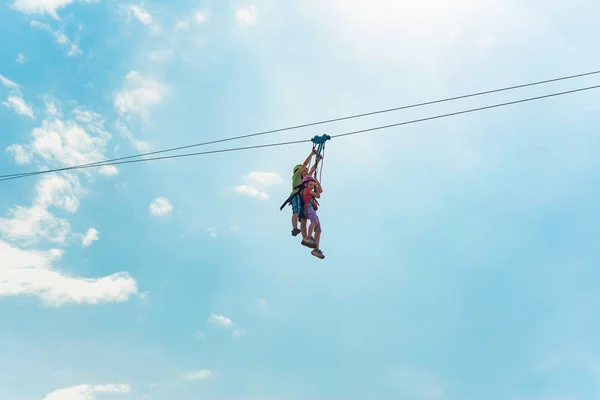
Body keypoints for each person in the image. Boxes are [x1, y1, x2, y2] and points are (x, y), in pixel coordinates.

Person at [289, 149, 321, 238]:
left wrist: (318, 160)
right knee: (296, 212)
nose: (305, 172)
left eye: (305, 172)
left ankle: (306, 238)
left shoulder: (305, 179)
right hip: (296, 195)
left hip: (303, 199)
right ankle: (295, 228)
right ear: (298, 171)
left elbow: (311, 170)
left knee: (303, 219)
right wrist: (311, 154)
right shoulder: (296, 176)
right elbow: (305, 164)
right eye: (303, 171)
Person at [300, 176, 324, 259]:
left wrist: (316, 182)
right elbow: (318, 195)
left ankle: (316, 249)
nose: (311, 186)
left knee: (318, 229)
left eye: (312, 185)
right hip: (308, 208)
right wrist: (315, 187)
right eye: (310, 184)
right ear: (305, 184)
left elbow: (320, 191)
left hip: (312, 209)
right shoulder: (307, 190)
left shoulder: (310, 189)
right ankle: (309, 237)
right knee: (314, 222)